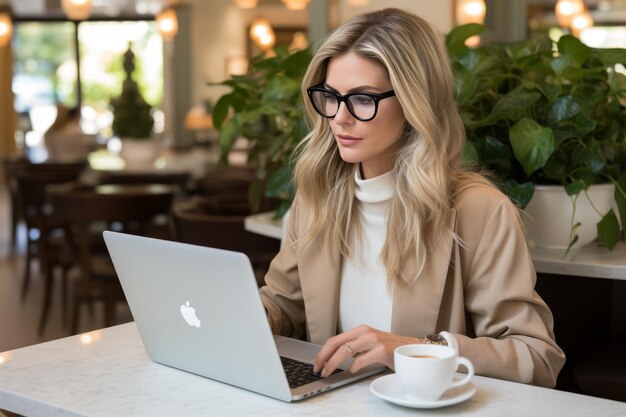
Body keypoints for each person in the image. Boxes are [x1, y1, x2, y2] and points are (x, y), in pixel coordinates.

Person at [259, 8, 565, 388]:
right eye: (331, 96)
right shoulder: (318, 197)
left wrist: (417, 349)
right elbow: (282, 304)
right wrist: (234, 312)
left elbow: (536, 358)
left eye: (363, 99)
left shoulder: (480, 211)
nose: (339, 117)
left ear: (414, 102)